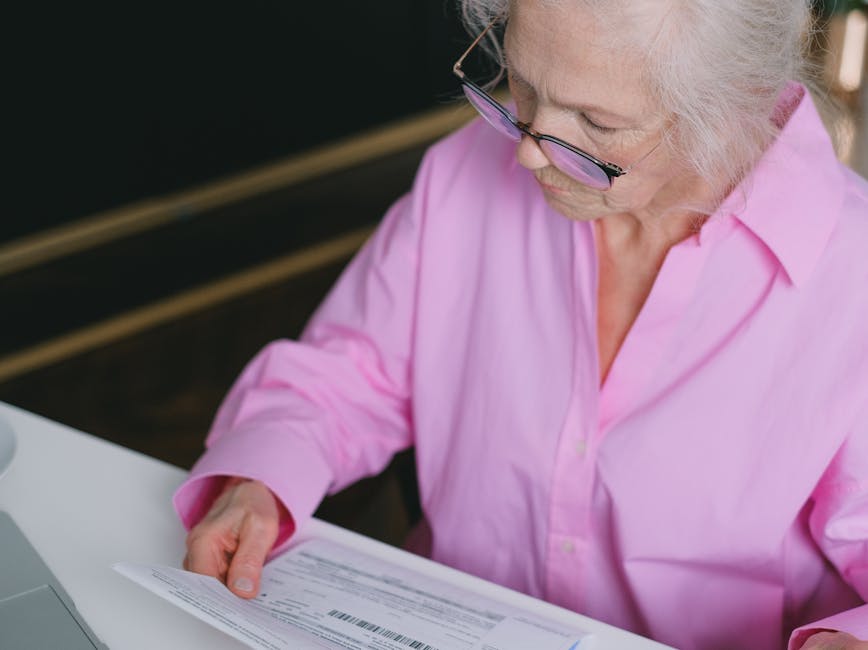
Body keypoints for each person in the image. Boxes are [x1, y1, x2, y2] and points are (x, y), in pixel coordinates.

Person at [174, 1, 868, 648]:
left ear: (731, 106)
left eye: (596, 126)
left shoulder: (851, 276)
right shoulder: (460, 174)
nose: (529, 151)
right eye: (524, 86)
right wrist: (258, 485)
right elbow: (345, 378)